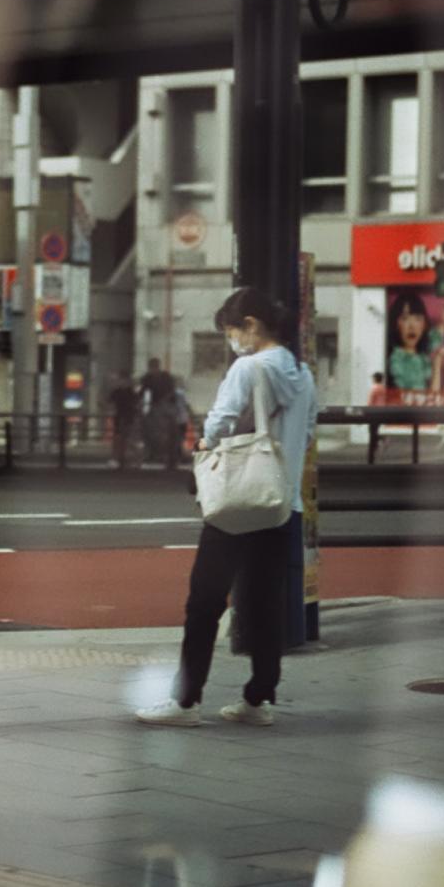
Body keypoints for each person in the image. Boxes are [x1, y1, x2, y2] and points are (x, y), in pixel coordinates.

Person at [136, 286, 316, 729]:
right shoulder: (303, 373)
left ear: (250, 326)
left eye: (232, 331)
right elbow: (308, 431)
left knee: (204, 602)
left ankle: (184, 702)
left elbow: (219, 423)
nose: (231, 340)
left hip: (239, 503)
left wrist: (202, 447)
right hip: (281, 503)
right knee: (266, 604)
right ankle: (258, 699)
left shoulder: (248, 368)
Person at [386, 291, 435, 393]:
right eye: (405, 318)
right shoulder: (396, 359)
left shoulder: (424, 357)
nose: (412, 326)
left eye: (418, 319)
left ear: (424, 324)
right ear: (395, 323)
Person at [108, 376, 140, 469]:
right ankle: (120, 459)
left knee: (127, 439)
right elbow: (109, 402)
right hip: (121, 417)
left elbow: (136, 404)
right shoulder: (119, 392)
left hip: (128, 417)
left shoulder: (131, 392)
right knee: (120, 438)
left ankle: (126, 459)